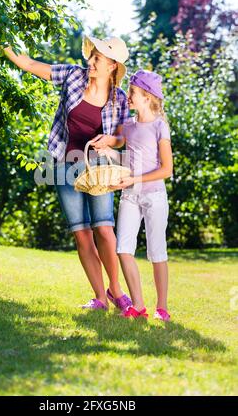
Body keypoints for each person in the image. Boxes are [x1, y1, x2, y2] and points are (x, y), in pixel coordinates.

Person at [2, 35, 132, 311]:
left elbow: (121, 136)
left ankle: (116, 290)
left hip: (97, 167)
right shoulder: (74, 76)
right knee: (81, 233)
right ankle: (99, 297)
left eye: (98, 59)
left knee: (105, 229)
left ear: (112, 66)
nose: (91, 62)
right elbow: (32, 65)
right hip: (64, 165)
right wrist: (5, 47)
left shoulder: (118, 98)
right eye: (92, 56)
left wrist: (110, 141)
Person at [98, 70, 173, 321]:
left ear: (147, 97)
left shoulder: (160, 127)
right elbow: (123, 151)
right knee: (123, 249)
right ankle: (138, 305)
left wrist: (135, 179)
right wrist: (106, 145)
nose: (127, 97)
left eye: (132, 93)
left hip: (154, 197)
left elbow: (167, 169)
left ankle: (161, 307)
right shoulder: (128, 125)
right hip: (130, 196)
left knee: (156, 252)